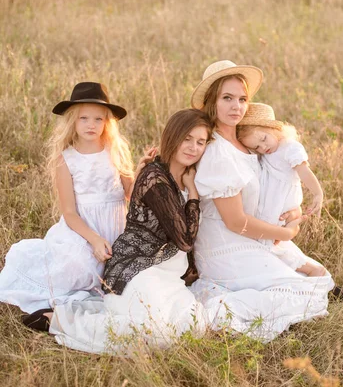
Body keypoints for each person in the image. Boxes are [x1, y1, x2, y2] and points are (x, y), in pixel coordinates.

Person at [23, 109, 214, 353]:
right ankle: (60, 321)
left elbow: (129, 191)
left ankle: (92, 310)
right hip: (136, 269)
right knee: (154, 335)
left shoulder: (186, 174)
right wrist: (194, 196)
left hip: (165, 274)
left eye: (200, 142)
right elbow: (185, 240)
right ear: (173, 136)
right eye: (187, 138)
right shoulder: (156, 178)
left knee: (191, 328)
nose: (193, 147)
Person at [190, 60, 335, 342]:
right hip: (225, 245)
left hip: (251, 237)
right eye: (227, 98)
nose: (236, 106)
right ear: (212, 102)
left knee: (318, 276)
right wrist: (287, 232)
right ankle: (219, 308)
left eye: (242, 99)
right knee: (303, 294)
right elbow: (235, 221)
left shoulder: (247, 144)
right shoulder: (218, 151)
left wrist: (291, 210)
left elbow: (273, 184)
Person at [0, 82, 138, 313]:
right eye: (84, 118)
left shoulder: (115, 151)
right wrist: (94, 239)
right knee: (80, 268)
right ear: (73, 120)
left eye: (98, 119)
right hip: (83, 230)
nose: (91, 125)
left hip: (116, 227)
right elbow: (70, 213)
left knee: (123, 273)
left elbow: (130, 194)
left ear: (107, 122)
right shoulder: (66, 158)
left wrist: (142, 170)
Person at [237, 102, 326, 277]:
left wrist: (318, 193)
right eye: (256, 147)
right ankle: (275, 268)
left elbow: (304, 172)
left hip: (282, 202)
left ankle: (295, 271)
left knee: (271, 242)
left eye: (263, 139)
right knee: (266, 242)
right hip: (268, 203)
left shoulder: (289, 148)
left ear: (274, 129)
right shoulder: (265, 153)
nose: (263, 148)